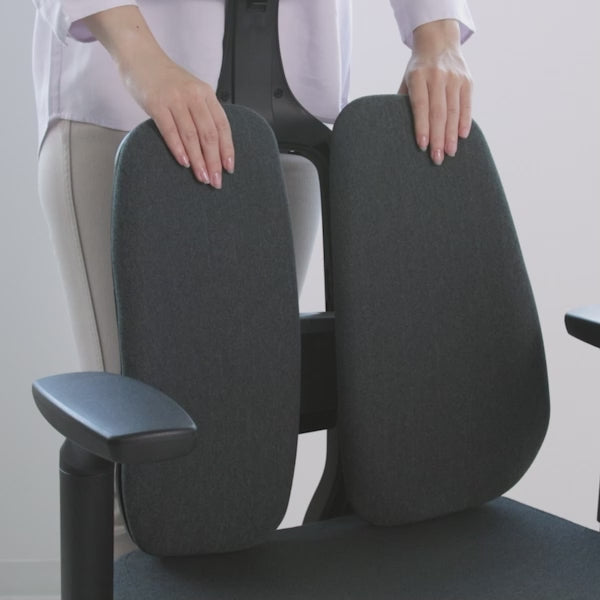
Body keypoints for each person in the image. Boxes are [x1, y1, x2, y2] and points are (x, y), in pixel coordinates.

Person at [32, 0, 475, 555]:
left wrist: (436, 37)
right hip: (126, 109)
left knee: (238, 458)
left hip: (288, 124)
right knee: (139, 472)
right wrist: (142, 60)